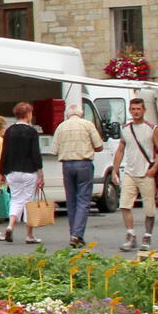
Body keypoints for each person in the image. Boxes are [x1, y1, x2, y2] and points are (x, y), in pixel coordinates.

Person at [112, 96, 158, 252]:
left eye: (138, 109)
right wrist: (115, 169)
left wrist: (154, 167)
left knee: (149, 207)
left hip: (146, 171)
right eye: (133, 109)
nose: (136, 112)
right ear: (130, 111)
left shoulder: (152, 128)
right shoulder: (125, 129)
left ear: (143, 110)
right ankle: (130, 234)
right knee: (125, 204)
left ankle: (147, 236)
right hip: (129, 171)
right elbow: (120, 149)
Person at [53, 104, 103, 247]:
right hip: (84, 164)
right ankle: (77, 234)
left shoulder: (61, 127)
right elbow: (99, 146)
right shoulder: (88, 124)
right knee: (83, 200)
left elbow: (54, 150)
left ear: (68, 114)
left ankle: (73, 233)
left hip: (67, 165)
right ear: (81, 114)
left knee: (71, 201)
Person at [0, 102, 44, 244]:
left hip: (12, 172)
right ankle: (29, 235)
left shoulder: (9, 131)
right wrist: (40, 173)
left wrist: (2, 172)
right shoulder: (31, 132)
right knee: (28, 202)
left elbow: (4, 153)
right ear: (28, 114)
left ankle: (10, 225)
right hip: (29, 172)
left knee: (16, 199)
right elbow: (35, 154)